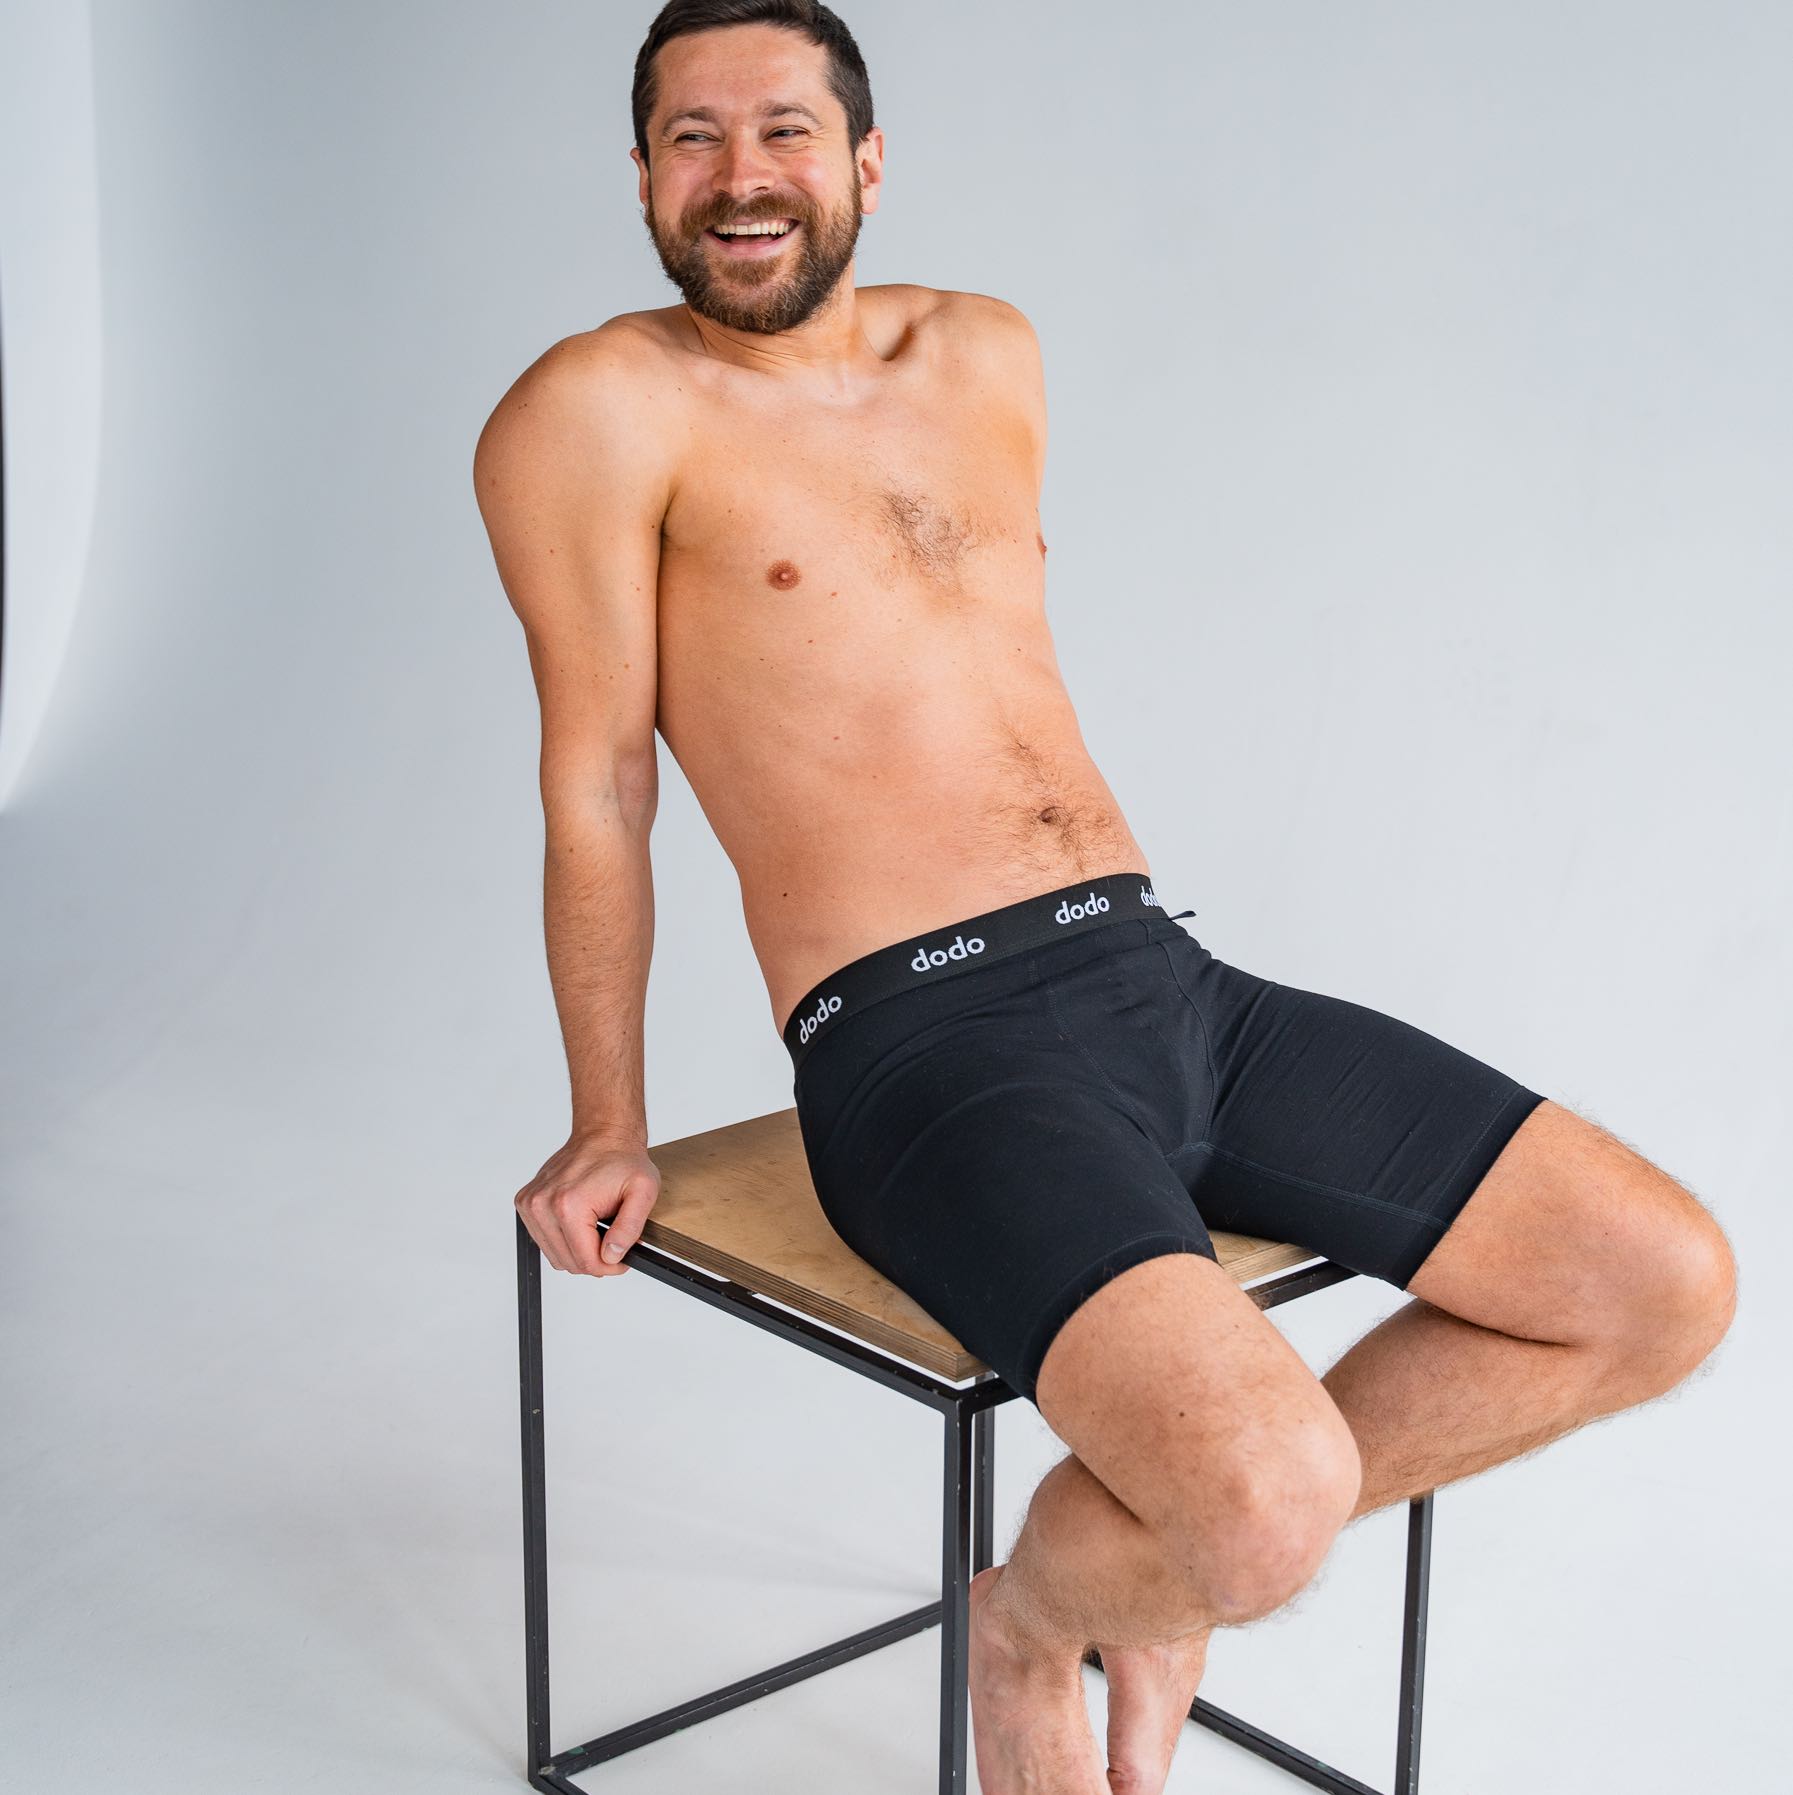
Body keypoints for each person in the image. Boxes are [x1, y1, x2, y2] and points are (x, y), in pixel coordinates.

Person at [473, 5, 1739, 1791]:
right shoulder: (593, 412)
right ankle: (1042, 1627)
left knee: (1658, 1283)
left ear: (865, 161)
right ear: (639, 175)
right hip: (926, 1052)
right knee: (1262, 1498)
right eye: (692, 138)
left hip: (1161, 980)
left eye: (781, 131)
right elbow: (598, 788)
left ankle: (1122, 1575)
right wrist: (607, 1118)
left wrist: (1188, 1540)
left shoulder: (986, 350)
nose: (739, 177)